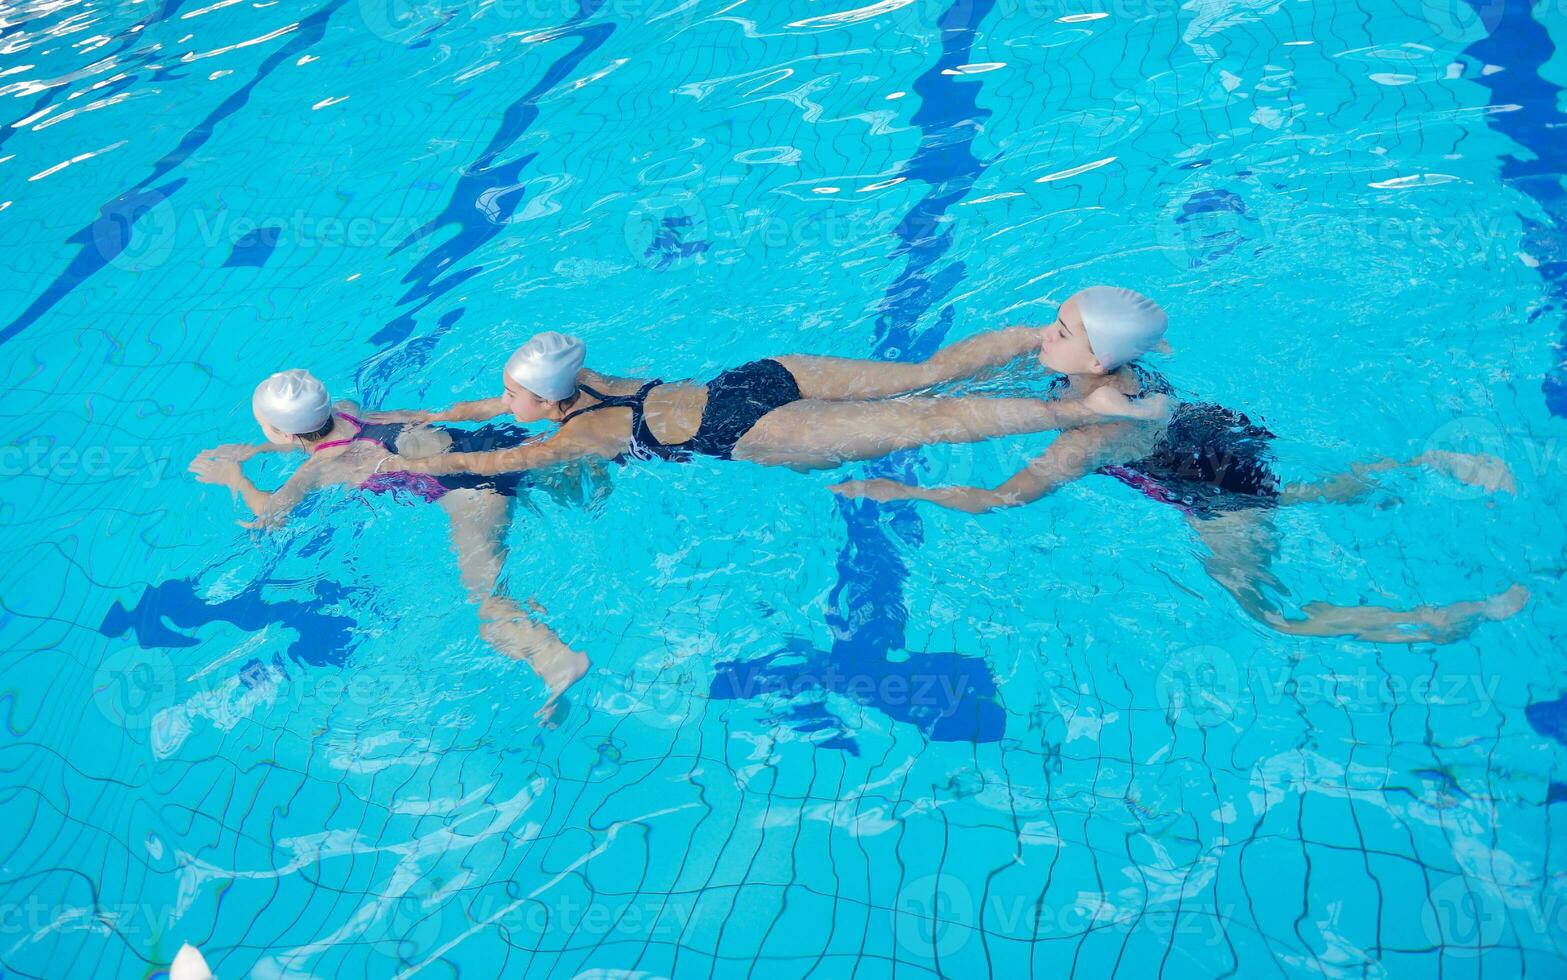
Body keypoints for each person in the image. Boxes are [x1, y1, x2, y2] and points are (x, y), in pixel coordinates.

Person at [832, 286, 1528, 644]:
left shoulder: (1091, 437)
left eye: (1061, 332)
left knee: (1271, 616)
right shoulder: (1125, 374)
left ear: (1099, 362)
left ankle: (1436, 619)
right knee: (1300, 490)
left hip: (1216, 494)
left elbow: (1005, 500)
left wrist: (905, 491)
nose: (1044, 334)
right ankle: (1422, 461)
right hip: (1218, 430)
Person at [188, 370, 588, 720]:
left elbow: (270, 517)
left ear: (281, 431)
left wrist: (234, 477)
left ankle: (558, 662)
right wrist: (262, 447)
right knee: (570, 490)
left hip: (477, 494)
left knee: (485, 599)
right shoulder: (347, 407)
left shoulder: (318, 470)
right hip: (496, 443)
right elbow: (309, 434)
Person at [387, 329, 1168, 481]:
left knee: (927, 419)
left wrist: (402, 457)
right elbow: (481, 403)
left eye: (510, 394)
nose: (500, 401)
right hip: (760, 376)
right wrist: (392, 421)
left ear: (541, 401)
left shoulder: (577, 438)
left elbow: (508, 456)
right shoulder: (590, 380)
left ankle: (1086, 413)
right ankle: (1042, 333)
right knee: (923, 373)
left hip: (752, 427)